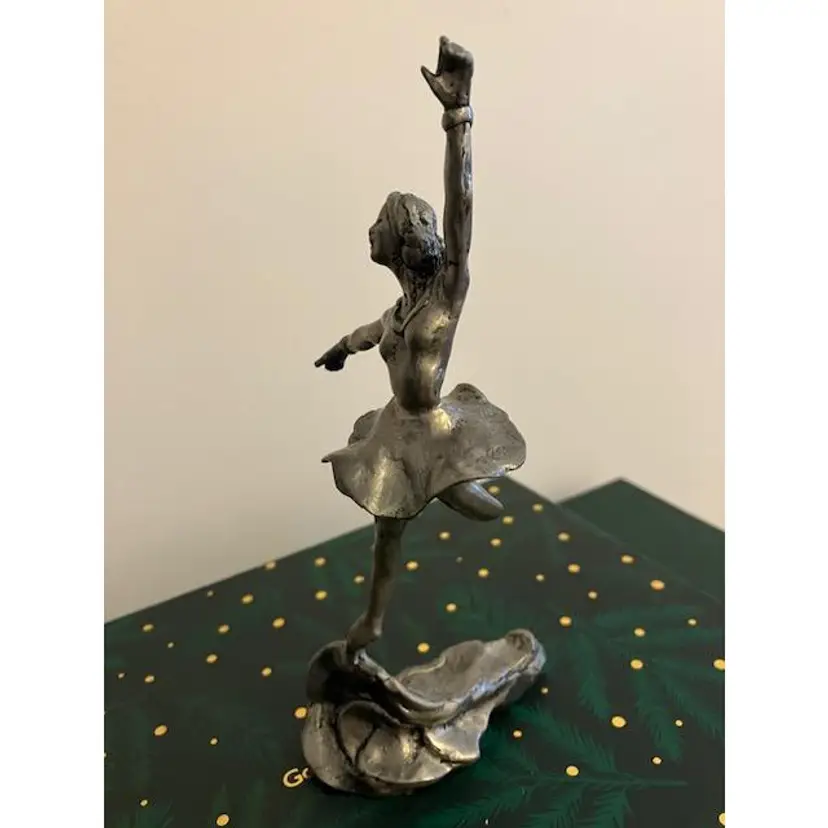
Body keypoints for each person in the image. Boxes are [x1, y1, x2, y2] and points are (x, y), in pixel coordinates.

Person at [314, 38, 526, 653]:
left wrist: (458, 117)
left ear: (401, 237)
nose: (369, 232)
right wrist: (340, 348)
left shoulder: (446, 296)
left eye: (378, 225)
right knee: (387, 526)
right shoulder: (398, 311)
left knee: (475, 506)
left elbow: (461, 209)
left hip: (435, 428)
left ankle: (457, 478)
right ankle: (374, 621)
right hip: (396, 431)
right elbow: (370, 333)